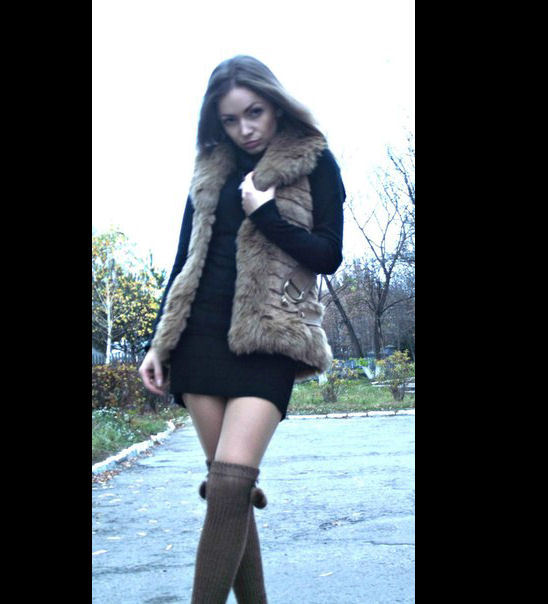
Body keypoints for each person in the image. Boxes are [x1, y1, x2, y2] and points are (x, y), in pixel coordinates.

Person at [139, 55, 346, 603]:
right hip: (198, 338)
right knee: (228, 495)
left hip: (270, 336)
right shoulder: (210, 168)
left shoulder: (315, 161)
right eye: (230, 120)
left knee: (230, 484)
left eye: (254, 112)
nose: (244, 129)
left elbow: (328, 254)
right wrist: (159, 342)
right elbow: (186, 259)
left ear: (275, 104)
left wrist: (266, 214)